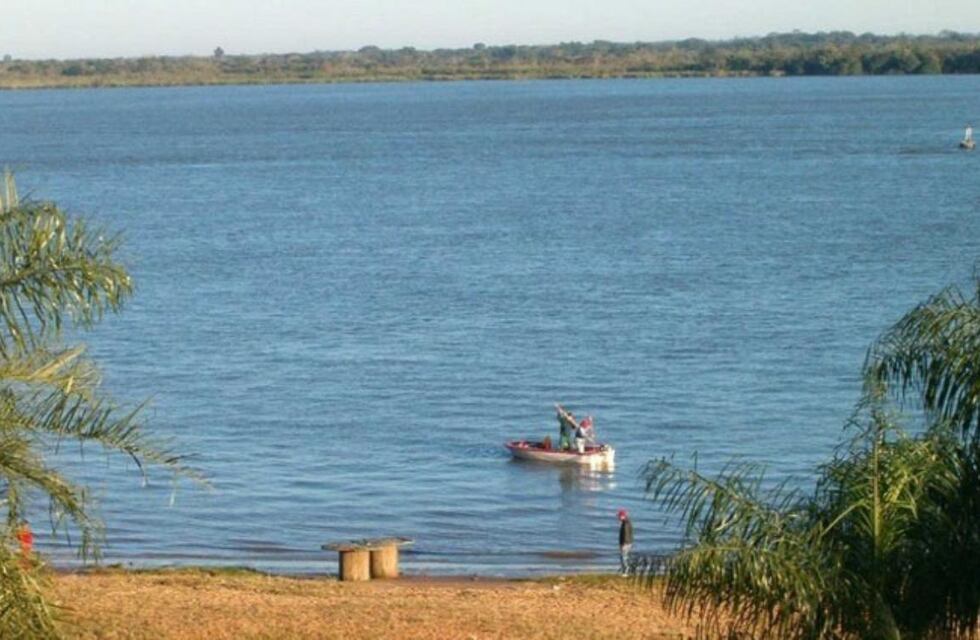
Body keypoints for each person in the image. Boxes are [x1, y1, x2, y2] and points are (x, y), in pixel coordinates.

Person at [618, 509, 633, 577]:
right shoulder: (626, 522)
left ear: (623, 516)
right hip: (628, 542)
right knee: (625, 557)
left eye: (619, 516)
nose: (618, 518)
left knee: (623, 558)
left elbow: (626, 534)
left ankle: (626, 572)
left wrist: (623, 544)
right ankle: (626, 571)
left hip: (626, 543)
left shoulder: (625, 523)